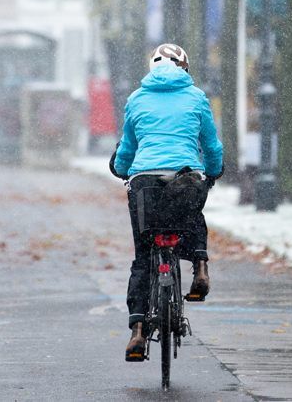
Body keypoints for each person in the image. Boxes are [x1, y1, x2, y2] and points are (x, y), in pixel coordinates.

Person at [110, 43, 223, 362]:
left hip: (145, 180)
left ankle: (137, 333)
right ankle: (200, 266)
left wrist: (121, 169)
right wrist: (213, 172)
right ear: (184, 69)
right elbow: (211, 144)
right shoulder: (197, 97)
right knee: (191, 213)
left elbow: (127, 148)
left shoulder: (136, 98)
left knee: (144, 256)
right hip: (185, 175)